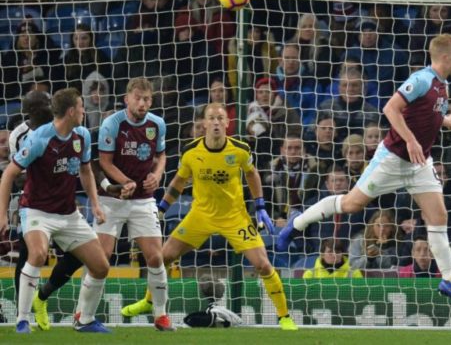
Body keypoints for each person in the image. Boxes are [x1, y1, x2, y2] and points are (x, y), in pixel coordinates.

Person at [277, 34, 451, 306]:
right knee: (351, 204)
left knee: (438, 216)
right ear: (445, 57)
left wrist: (447, 120)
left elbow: (427, 114)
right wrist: (410, 140)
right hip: (393, 158)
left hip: (420, 161)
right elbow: (390, 109)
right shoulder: (421, 79)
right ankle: (297, 223)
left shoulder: (444, 85)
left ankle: (449, 280)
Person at [121, 103, 298, 331]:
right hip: (200, 215)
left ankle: (284, 316)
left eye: (220, 118)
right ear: (204, 123)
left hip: (234, 217)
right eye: (211, 118)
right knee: (162, 257)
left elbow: (252, 174)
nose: (216, 122)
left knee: (263, 264)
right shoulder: (191, 152)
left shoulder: (240, 149)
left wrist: (260, 205)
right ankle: (148, 302)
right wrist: (162, 208)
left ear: (227, 123)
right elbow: (179, 181)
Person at [0, 88, 111, 334]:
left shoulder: (82, 135)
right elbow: (8, 174)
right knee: (38, 254)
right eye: (81, 107)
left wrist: (95, 203)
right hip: (36, 210)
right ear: (71, 111)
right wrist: (2, 214)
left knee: (101, 266)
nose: (84, 111)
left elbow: (85, 171)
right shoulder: (39, 138)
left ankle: (85, 320)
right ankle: (22, 320)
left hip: (68, 213)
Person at [95, 78, 174, 331]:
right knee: (101, 259)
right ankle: (83, 314)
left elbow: (161, 155)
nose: (142, 103)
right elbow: (104, 162)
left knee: (156, 257)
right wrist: (125, 182)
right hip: (112, 199)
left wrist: (157, 175)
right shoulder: (112, 123)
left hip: (143, 200)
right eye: (138, 98)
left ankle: (161, 315)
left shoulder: (157, 124)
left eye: (147, 99)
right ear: (126, 99)